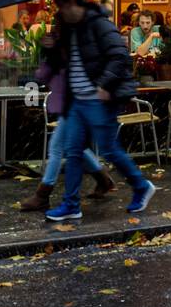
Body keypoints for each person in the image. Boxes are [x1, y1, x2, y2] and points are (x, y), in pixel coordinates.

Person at [43, 0, 156, 221]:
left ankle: (141, 185)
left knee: (108, 149)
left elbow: (120, 56)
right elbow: (64, 63)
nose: (61, 12)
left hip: (98, 99)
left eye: (63, 7)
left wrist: (104, 85)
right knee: (73, 151)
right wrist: (51, 48)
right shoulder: (67, 29)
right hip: (77, 100)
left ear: (75, 3)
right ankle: (71, 204)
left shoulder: (99, 24)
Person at [19, 58, 114, 211]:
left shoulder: (79, 40)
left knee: (57, 146)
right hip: (77, 98)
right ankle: (103, 179)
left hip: (81, 98)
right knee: (75, 146)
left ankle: (43, 195)